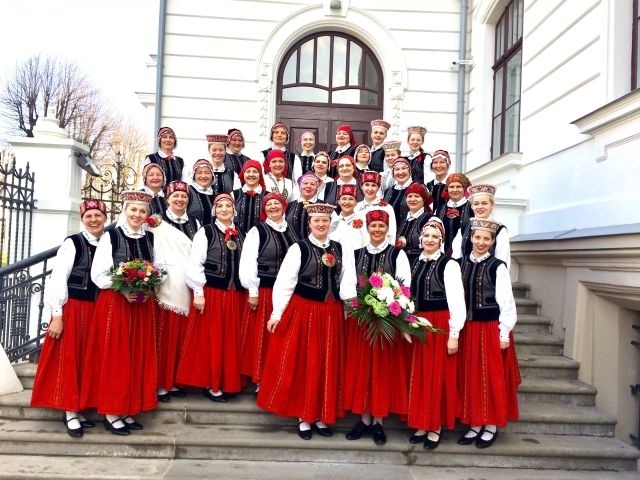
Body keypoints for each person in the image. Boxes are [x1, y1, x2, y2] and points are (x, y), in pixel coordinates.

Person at [257, 203, 352, 440]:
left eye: (325, 221)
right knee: (306, 363)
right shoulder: (299, 249)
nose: (321, 224)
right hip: (305, 312)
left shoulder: (341, 249)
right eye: (316, 221)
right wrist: (277, 313)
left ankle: (320, 415)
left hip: (331, 313)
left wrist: (352, 309)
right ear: (309, 223)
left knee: (326, 363)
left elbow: (347, 281)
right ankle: (304, 417)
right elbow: (285, 282)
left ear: (330, 223)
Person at [81, 191, 166, 435]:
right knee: (116, 357)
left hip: (142, 304)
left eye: (142, 211)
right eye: (133, 210)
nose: (137, 215)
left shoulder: (151, 238)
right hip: (116, 304)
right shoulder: (111, 236)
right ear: (125, 211)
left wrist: (149, 283)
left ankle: (128, 408)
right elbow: (98, 274)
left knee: (137, 356)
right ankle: (111, 412)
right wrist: (124, 285)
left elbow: (160, 267)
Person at [30, 199, 108, 438]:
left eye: (98, 215)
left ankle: (81, 406)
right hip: (75, 307)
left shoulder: (109, 242)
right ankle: (70, 411)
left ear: (105, 217)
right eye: (89, 216)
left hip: (99, 309)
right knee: (71, 358)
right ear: (82, 219)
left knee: (90, 359)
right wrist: (57, 315)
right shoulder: (73, 243)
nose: (94, 220)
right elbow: (58, 279)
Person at [341, 208, 412, 446]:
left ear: (387, 229)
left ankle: (379, 422)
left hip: (385, 322)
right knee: (362, 369)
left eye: (382, 226)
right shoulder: (356, 253)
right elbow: (348, 282)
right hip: (361, 321)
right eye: (373, 226)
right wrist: (357, 306)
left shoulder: (397, 255)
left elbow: (404, 287)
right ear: (367, 228)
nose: (377, 230)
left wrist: (389, 304)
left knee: (381, 370)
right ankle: (364, 419)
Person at [456, 217, 520, 449]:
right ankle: (474, 423)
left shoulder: (497, 266)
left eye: (486, 238)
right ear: (471, 238)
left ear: (492, 241)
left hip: (490, 328)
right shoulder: (461, 263)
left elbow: (507, 302)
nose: (481, 242)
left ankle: (490, 424)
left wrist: (504, 333)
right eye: (477, 237)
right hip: (468, 330)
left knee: (490, 377)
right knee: (470, 376)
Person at [177, 193, 246, 402]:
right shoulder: (205, 232)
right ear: (215, 210)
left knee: (230, 341)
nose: (224, 209)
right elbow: (195, 263)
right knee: (212, 340)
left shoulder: (240, 234)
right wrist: (198, 292)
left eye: (228, 206)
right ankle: (212, 384)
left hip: (235, 295)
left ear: (234, 210)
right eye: (220, 206)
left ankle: (228, 382)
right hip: (212, 293)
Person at [407, 218, 466, 450]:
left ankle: (435, 426)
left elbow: (457, 301)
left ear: (441, 241)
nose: (429, 240)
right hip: (419, 323)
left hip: (439, 324)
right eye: (426, 236)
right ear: (421, 239)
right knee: (420, 375)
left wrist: (454, 333)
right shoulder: (416, 262)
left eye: (434, 237)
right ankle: (421, 423)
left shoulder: (448, 264)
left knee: (436, 375)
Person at [238, 193, 298, 393]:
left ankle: (279, 376)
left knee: (283, 335)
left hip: (288, 293)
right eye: (269, 204)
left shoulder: (293, 230)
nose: (273, 207)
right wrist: (253, 290)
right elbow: (248, 260)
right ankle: (260, 380)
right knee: (264, 336)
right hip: (266, 290)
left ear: (283, 207)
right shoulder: (258, 231)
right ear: (264, 209)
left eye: (277, 203)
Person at [155, 180, 197, 403]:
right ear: (167, 199)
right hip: (165, 286)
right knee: (164, 335)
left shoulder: (196, 223)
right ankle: (161, 383)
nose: (180, 200)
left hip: (186, 286)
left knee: (180, 336)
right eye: (175, 197)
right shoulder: (157, 223)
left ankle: (174, 381)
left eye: (184, 197)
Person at [451, 184, 511, 269]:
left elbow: (502, 260)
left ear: (492, 205)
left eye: (484, 203)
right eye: (476, 204)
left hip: (488, 278)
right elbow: (456, 257)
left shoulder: (499, 230)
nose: (480, 207)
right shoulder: (463, 229)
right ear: (471, 206)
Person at [395, 183, 434, 264]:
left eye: (417, 196)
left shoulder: (430, 220)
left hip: (420, 266)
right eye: (409, 196)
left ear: (424, 199)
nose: (412, 199)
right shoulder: (403, 221)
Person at [434, 173, 472, 255]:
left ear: (464, 188)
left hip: (464, 255)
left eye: (458, 186)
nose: (455, 190)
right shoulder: (439, 209)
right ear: (447, 189)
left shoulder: (471, 208)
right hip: (441, 254)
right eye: (451, 187)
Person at [355, 170, 396, 244]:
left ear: (378, 188)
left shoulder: (386, 208)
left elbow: (391, 234)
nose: (370, 189)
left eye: (373, 185)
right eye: (367, 185)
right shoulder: (356, 207)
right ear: (362, 186)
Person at [328, 184, 368, 252]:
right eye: (344, 199)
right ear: (339, 202)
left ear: (356, 203)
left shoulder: (363, 223)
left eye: (351, 199)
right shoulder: (332, 221)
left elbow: (366, 245)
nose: (347, 202)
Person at [286, 171, 321, 238]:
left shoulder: (324, 206)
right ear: (300, 186)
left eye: (312, 184)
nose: (308, 186)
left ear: (317, 188)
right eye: (305, 183)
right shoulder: (288, 206)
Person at [234, 159, 266, 234]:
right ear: (243, 174)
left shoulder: (268, 196)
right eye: (248, 171)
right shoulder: (234, 195)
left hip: (262, 237)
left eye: (255, 171)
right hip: (238, 237)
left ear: (260, 175)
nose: (251, 174)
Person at [383, 157, 414, 225]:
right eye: (397, 169)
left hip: (408, 231)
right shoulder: (387, 191)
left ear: (409, 170)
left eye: (404, 168)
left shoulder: (418, 188)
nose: (400, 172)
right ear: (393, 173)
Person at [187, 158, 215, 225]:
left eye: (207, 173)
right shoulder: (188, 192)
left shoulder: (216, 194)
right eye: (199, 173)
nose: (203, 176)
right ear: (194, 175)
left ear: (212, 175)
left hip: (214, 234)